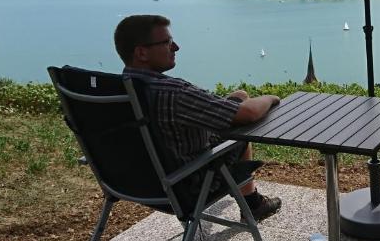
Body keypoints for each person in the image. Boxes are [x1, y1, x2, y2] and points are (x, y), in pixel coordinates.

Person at [114, 14, 282, 221]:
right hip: (188, 184)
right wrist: (271, 97)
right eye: (167, 42)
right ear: (141, 53)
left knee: (239, 97)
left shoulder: (114, 91)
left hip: (134, 184)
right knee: (241, 126)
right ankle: (252, 203)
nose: (176, 47)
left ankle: (251, 201)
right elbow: (248, 114)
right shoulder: (173, 92)